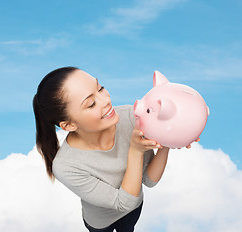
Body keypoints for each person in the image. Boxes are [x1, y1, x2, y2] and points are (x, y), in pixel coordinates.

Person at [32, 66, 198, 232]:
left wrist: (168, 139)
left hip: (133, 211)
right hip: (99, 222)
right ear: (68, 125)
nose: (106, 100)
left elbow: (149, 180)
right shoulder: (66, 166)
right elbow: (123, 202)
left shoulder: (132, 117)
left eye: (100, 88)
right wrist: (135, 151)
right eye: (91, 104)